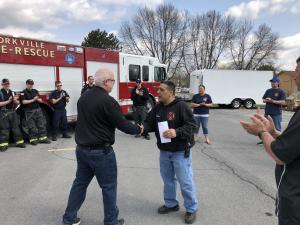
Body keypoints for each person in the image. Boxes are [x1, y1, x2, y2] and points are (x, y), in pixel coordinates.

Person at [62, 68, 143, 225]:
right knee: (109, 188)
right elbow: (123, 125)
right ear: (106, 82)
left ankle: (69, 219)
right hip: (101, 153)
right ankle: (111, 222)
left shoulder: (83, 97)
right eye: (112, 81)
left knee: (79, 184)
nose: (113, 83)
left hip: (82, 150)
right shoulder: (108, 101)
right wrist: (139, 129)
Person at [240, 57, 300, 225]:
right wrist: (273, 132)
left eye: (297, 70)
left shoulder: (282, 93)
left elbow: (281, 154)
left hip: (295, 204)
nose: (294, 75)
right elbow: (293, 142)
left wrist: (261, 132)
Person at [143, 81, 198, 224]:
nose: (158, 92)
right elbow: (150, 123)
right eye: (158, 89)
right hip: (164, 152)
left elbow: (192, 126)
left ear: (172, 93)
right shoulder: (158, 107)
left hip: (180, 152)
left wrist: (176, 132)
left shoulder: (181, 107)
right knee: (168, 181)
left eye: (162, 90)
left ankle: (191, 208)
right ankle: (171, 204)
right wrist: (142, 128)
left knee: (185, 182)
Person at [20, 79, 51, 145]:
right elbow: (23, 102)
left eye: (32, 84)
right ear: (26, 84)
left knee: (41, 124)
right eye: (29, 84)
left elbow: (41, 100)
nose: (31, 85)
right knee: (31, 126)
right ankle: (33, 139)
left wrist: (39, 100)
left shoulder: (36, 91)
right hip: (29, 111)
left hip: (38, 110)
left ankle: (43, 138)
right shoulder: (23, 92)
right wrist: (33, 99)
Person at [257, 76, 286, 145]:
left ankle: (278, 142)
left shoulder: (281, 91)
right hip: (268, 112)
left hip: (276, 113)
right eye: (271, 82)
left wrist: (273, 101)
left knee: (277, 128)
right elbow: (263, 99)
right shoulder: (268, 91)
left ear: (278, 83)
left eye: (274, 82)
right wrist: (266, 100)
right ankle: (265, 140)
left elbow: (283, 102)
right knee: (266, 127)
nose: (272, 83)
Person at [0, 79, 25, 152]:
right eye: (5, 84)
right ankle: (3, 145)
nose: (7, 85)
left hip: (12, 112)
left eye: (8, 83)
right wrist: (8, 101)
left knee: (16, 128)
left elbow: (18, 103)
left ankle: (19, 143)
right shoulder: (0, 92)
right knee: (4, 129)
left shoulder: (12, 92)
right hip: (3, 113)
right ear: (2, 84)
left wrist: (15, 101)